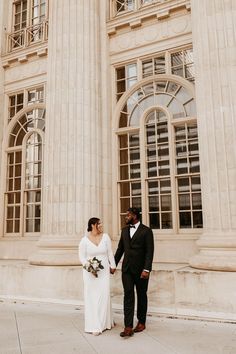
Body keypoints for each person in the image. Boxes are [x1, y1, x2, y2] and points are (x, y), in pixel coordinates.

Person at [114, 207, 154, 338]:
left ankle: (141, 322)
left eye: (128, 215)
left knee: (142, 295)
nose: (126, 217)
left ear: (135, 216)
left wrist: (146, 269)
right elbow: (120, 250)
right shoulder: (124, 231)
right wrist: (113, 264)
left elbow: (149, 252)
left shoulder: (146, 231)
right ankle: (128, 327)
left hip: (141, 270)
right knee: (128, 296)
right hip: (127, 270)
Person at [79, 217, 116, 335]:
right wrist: (89, 267)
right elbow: (82, 257)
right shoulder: (84, 240)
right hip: (89, 273)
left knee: (104, 295)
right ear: (93, 225)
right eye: (99, 224)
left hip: (104, 271)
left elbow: (110, 252)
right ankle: (94, 325)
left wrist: (113, 265)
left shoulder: (106, 237)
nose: (101, 225)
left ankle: (105, 322)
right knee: (91, 297)